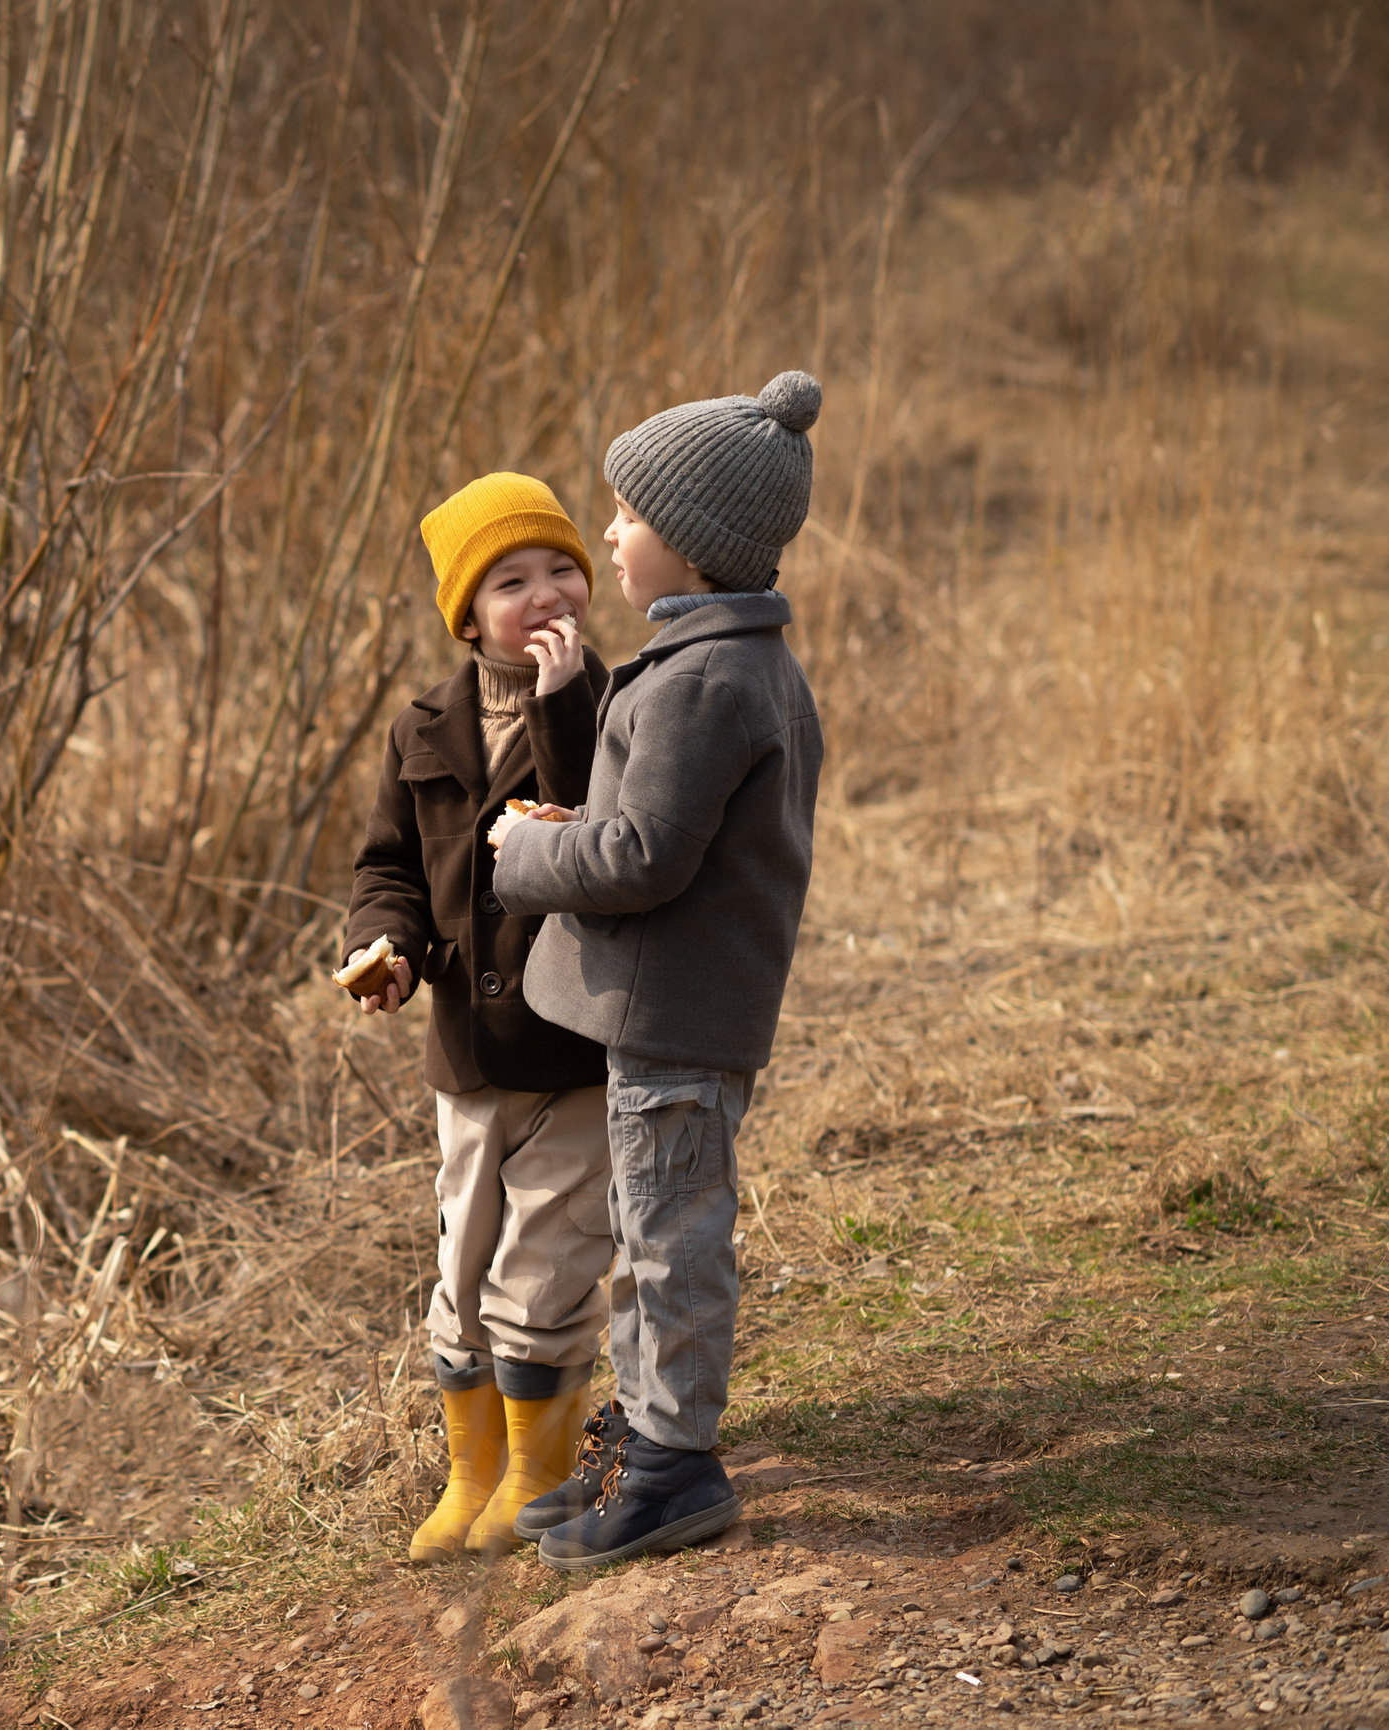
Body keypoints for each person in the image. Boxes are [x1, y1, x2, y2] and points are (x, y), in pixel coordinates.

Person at [486, 372, 828, 1570]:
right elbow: (651, 828)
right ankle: (645, 1430)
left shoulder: (708, 680)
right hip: (680, 1014)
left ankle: (676, 1465)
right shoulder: (720, 665)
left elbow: (637, 858)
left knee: (669, 1238)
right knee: (647, 1226)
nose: (610, 537)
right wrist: (575, 819)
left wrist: (531, 849)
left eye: (624, 517)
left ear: (685, 546)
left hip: (679, 1022)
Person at [344, 472, 620, 1562]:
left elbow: (602, 829)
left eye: (562, 569)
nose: (545, 592)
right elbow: (388, 868)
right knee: (461, 1268)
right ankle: (471, 1475)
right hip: (466, 1049)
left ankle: (540, 1479)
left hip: (572, 1044)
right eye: (512, 580)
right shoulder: (421, 729)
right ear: (466, 613)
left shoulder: (612, 703)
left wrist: (561, 706)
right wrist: (387, 945)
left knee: (545, 1263)